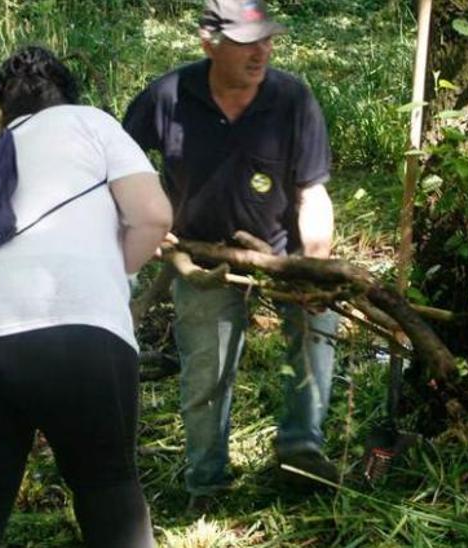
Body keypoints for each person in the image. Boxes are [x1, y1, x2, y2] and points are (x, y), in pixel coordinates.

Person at [0, 45, 171, 547]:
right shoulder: (92, 123)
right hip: (73, 324)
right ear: (68, 95)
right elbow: (153, 216)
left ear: (2, 112)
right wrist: (112, 272)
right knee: (107, 483)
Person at [122, 0, 340, 510]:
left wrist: (314, 267)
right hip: (201, 257)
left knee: (316, 333)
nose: (261, 51)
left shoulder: (292, 98)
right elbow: (118, 168)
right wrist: (146, 223)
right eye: (247, 41)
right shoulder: (167, 96)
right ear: (208, 42)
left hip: (282, 253)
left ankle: (300, 451)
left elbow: (313, 195)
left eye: (267, 39)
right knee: (207, 368)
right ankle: (208, 481)